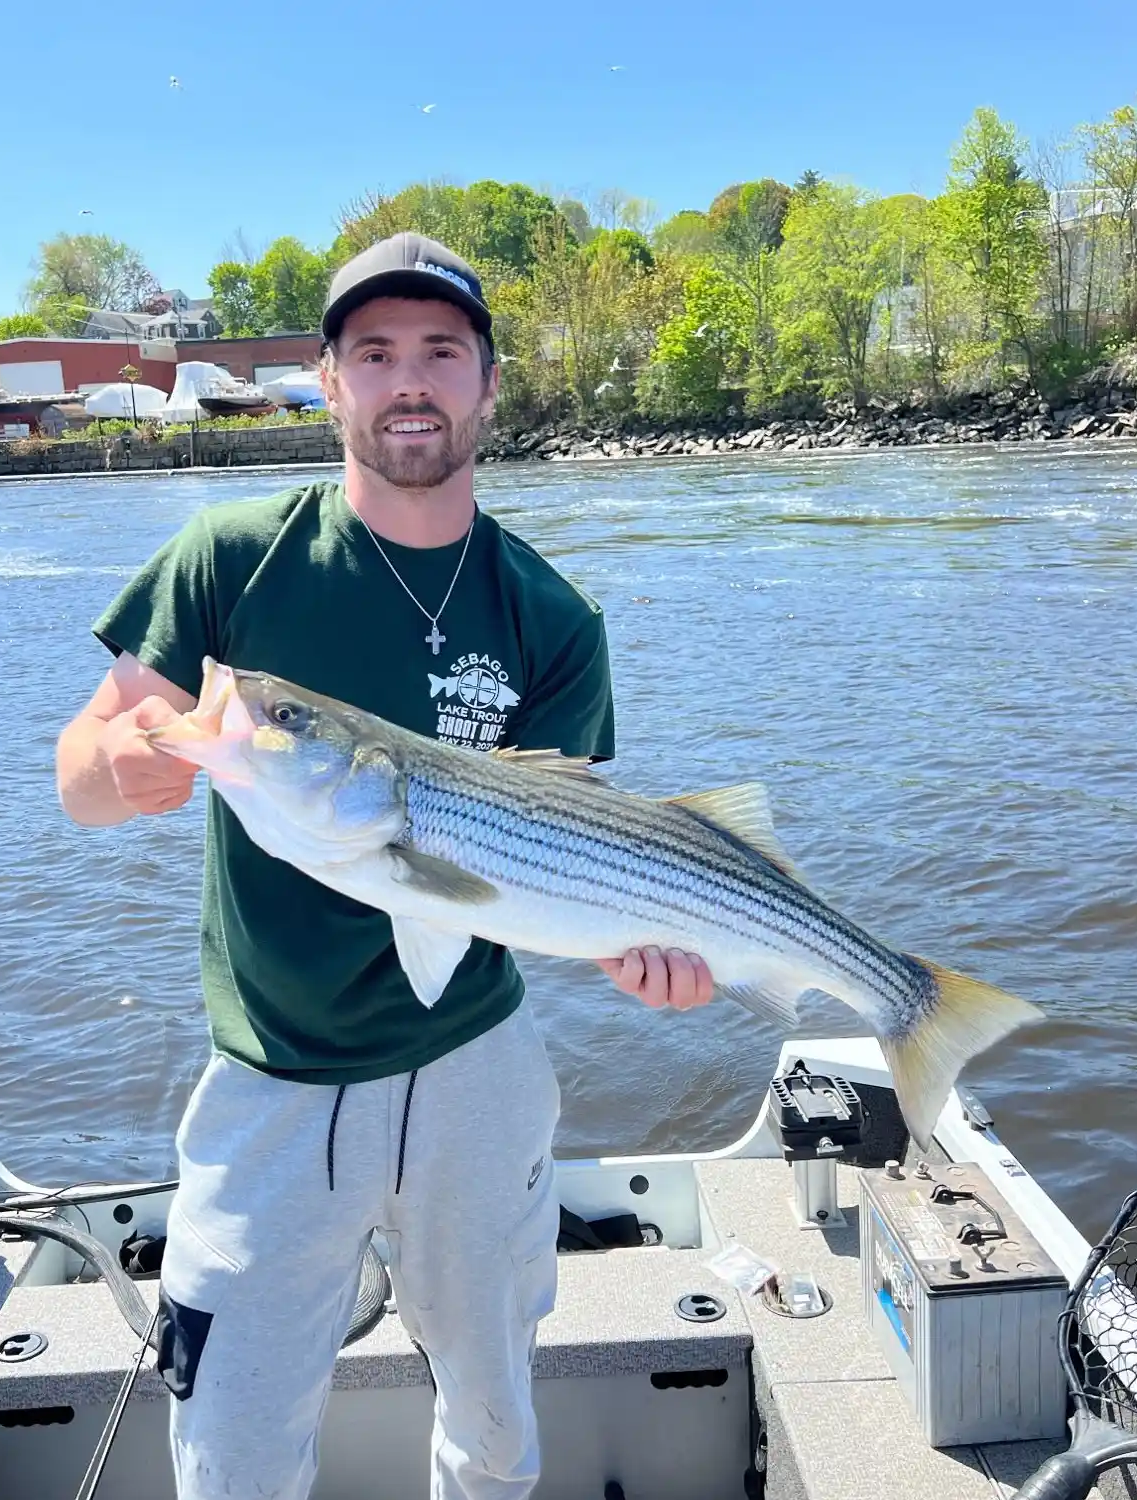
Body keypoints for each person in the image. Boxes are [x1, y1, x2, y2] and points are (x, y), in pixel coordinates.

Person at [54, 231, 714, 1500]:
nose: (408, 379)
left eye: (439, 352)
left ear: (486, 383)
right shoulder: (229, 562)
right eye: (374, 353)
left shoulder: (553, 617)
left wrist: (646, 946)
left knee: (496, 1417)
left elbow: (565, 859)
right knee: (233, 1448)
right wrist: (117, 769)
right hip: (273, 1078)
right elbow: (85, 761)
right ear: (329, 380)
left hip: (479, 1069)